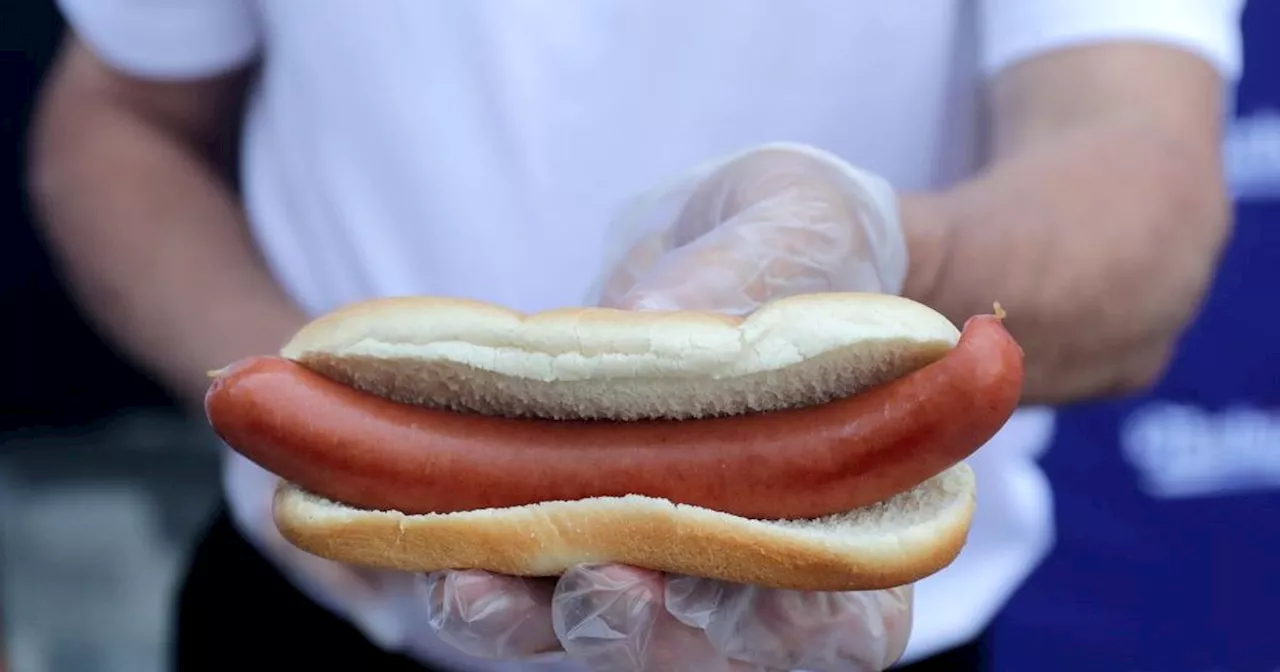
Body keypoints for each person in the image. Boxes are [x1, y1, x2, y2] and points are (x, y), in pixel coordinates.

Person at [28, 2, 1244, 671]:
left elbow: (1137, 183)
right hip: (321, 629)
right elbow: (119, 115)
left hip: (845, 659)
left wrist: (889, 247)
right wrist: (288, 412)